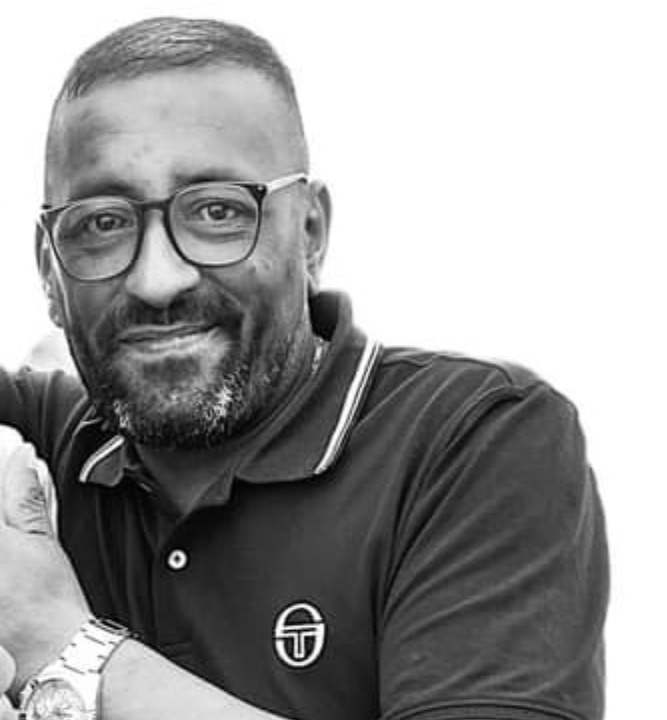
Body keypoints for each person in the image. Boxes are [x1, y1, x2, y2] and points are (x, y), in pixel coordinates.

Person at [0, 16, 609, 720]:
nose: (158, 279)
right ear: (49, 270)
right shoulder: (45, 439)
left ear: (310, 233)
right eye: (102, 224)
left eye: (218, 212)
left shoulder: (472, 438)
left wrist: (62, 647)